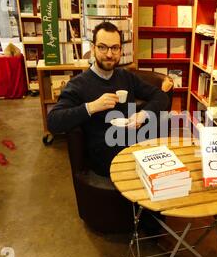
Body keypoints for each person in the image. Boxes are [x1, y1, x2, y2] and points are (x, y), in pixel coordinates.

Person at [47, 22, 169, 177]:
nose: (110, 54)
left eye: (115, 48)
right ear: (93, 48)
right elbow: (53, 121)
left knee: (167, 171)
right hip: (105, 154)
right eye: (103, 47)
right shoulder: (78, 84)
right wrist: (91, 107)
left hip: (136, 144)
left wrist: (142, 115)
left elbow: (160, 96)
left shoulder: (126, 77)